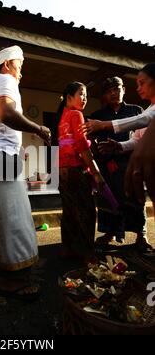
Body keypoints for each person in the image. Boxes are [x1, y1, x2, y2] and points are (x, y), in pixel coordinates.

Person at [0, 45, 51, 301]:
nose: (21, 74)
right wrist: (38, 128)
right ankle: (12, 281)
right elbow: (7, 112)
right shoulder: (6, 79)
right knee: (14, 216)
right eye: (20, 66)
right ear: (7, 64)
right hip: (1, 156)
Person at [89, 77, 149, 250]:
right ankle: (109, 232)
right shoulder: (98, 116)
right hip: (107, 164)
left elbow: (142, 139)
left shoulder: (136, 111)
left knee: (135, 198)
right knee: (108, 199)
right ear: (105, 95)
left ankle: (141, 234)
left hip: (129, 163)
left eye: (116, 89)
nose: (113, 93)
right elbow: (91, 141)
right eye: (109, 91)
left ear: (124, 89)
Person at [53, 82, 104, 264]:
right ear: (69, 98)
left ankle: (68, 248)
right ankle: (88, 254)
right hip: (76, 170)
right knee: (86, 211)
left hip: (61, 171)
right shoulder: (76, 114)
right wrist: (96, 172)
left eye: (86, 95)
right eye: (81, 94)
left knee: (69, 210)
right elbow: (82, 147)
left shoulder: (60, 117)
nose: (84, 98)